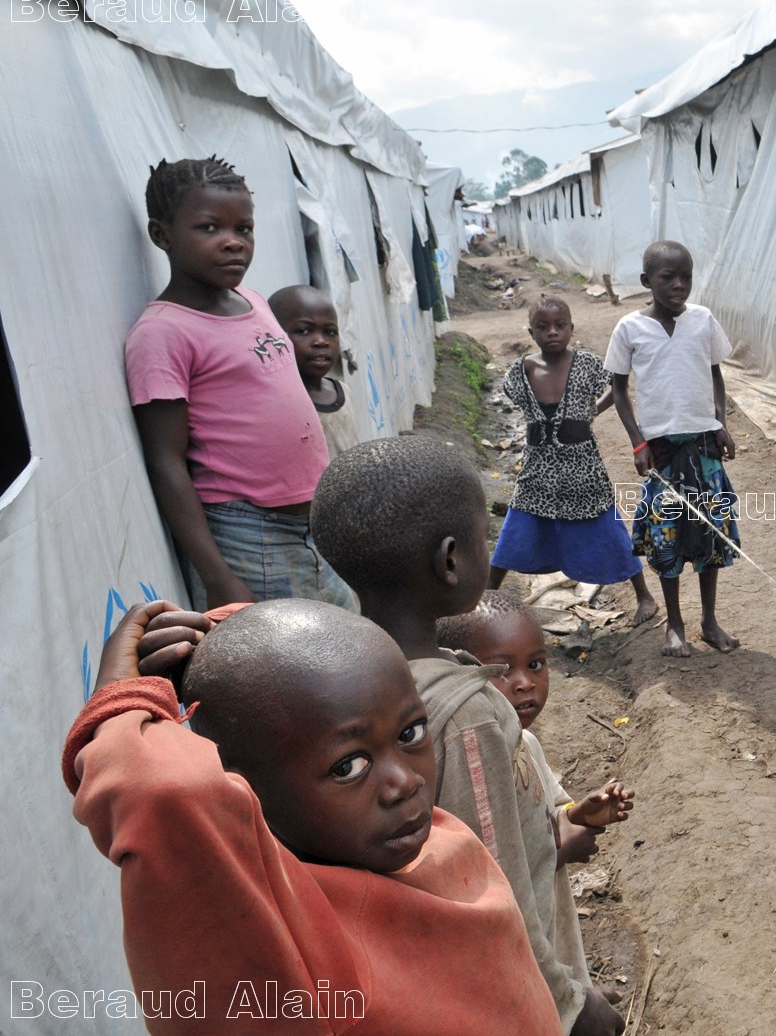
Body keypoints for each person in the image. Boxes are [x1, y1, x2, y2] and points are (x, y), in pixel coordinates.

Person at [66, 598, 562, 1035]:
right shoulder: (272, 941)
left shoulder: (434, 841)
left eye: (411, 733)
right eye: (349, 766)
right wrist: (119, 702)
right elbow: (164, 795)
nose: (405, 782)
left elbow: (304, 673)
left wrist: (223, 628)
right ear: (242, 792)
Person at [311, 436, 627, 1036]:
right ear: (452, 560)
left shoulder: (354, 677)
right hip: (508, 990)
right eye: (486, 536)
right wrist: (567, 1002)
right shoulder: (467, 714)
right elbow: (493, 882)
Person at [124, 157, 353, 612]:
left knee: (340, 650)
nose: (233, 243)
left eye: (243, 229)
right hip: (248, 536)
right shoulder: (162, 333)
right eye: (209, 229)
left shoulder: (252, 301)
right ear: (162, 235)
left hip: (311, 524)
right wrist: (217, 575)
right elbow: (166, 461)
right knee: (286, 670)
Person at [439, 590, 637, 1017]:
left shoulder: (525, 743)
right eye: (501, 670)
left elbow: (546, 820)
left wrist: (578, 817)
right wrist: (562, 845)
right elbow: (494, 873)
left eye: (536, 664)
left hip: (545, 935)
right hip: (510, 961)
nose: (525, 682)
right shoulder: (472, 756)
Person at [605, 240, 740, 657]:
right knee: (666, 538)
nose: (679, 285)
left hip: (703, 450)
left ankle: (709, 621)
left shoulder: (702, 321)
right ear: (647, 281)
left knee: (711, 537)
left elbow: (715, 374)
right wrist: (637, 442)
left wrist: (721, 423)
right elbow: (618, 388)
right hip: (662, 455)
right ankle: (675, 625)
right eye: (668, 277)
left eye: (686, 276)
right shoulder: (630, 328)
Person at [491, 296, 657, 628]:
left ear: (571, 328)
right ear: (531, 332)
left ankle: (644, 596)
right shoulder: (520, 371)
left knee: (607, 530)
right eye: (543, 326)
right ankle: (485, 599)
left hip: (584, 469)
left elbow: (619, 388)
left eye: (560, 325)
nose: (552, 332)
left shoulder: (588, 365)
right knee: (516, 531)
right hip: (537, 471)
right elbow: (515, 398)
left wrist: (586, 413)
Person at [271, 285, 361, 459]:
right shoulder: (280, 404)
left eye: (330, 332)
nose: (321, 341)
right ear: (274, 337)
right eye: (304, 331)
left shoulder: (343, 391)